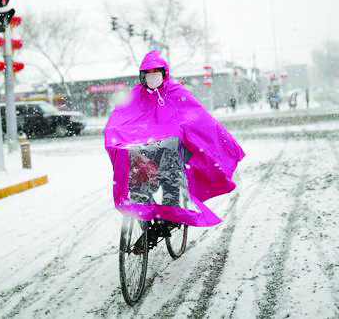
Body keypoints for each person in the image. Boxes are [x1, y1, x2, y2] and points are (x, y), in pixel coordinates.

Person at [104, 51, 245, 236]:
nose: (152, 77)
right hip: (144, 147)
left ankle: (172, 216)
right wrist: (116, 135)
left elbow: (197, 116)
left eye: (156, 73)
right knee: (136, 178)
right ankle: (147, 226)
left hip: (171, 147)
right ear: (142, 76)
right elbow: (121, 118)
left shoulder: (175, 92)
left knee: (171, 172)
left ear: (164, 74)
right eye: (148, 73)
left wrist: (221, 140)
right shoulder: (136, 95)